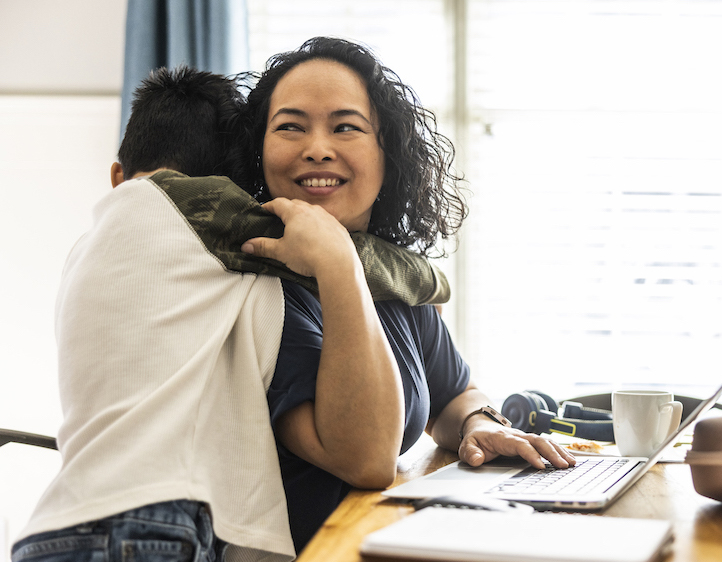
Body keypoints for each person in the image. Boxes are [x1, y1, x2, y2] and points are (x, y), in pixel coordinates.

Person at [11, 66, 448, 562]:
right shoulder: (199, 213)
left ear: (117, 175)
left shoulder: (87, 248)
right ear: (228, 187)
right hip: (146, 524)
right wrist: (432, 281)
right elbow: (323, 245)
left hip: (61, 522)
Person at [236, 37, 578, 551]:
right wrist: (336, 262)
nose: (317, 148)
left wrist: (480, 424)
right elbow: (364, 460)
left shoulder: (389, 280)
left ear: (386, 153)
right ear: (258, 150)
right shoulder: (258, 288)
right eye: (290, 126)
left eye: (345, 126)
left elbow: (454, 394)